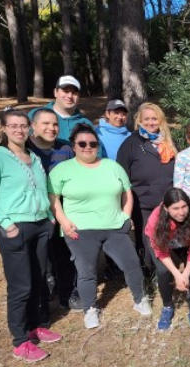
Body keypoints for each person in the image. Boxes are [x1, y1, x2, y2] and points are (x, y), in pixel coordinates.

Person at [0, 110, 60, 362]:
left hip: (41, 225)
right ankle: (20, 340)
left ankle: (37, 325)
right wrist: (6, 223)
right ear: (3, 129)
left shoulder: (33, 157)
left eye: (23, 126)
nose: (19, 130)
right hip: (15, 228)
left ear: (29, 129)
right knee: (21, 285)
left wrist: (49, 216)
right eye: (13, 126)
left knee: (39, 278)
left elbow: (43, 189)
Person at [48, 124, 150, 329]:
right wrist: (64, 222)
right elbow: (53, 199)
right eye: (82, 143)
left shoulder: (112, 167)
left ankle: (140, 299)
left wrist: (126, 216)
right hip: (81, 229)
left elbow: (127, 192)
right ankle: (90, 309)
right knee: (86, 270)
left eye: (93, 144)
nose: (88, 147)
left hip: (114, 226)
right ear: (74, 146)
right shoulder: (62, 170)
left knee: (131, 263)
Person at [25, 108, 78, 310]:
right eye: (45, 124)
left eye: (55, 124)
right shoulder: (24, 150)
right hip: (35, 212)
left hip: (63, 210)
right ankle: (42, 296)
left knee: (64, 254)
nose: (51, 128)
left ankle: (67, 294)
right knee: (40, 259)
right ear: (34, 126)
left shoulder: (65, 148)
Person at [116, 102, 178, 274]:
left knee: (166, 237)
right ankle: (148, 274)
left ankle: (165, 272)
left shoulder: (168, 142)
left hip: (167, 201)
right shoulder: (131, 143)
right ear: (140, 121)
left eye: (154, 119)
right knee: (147, 240)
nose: (151, 122)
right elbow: (121, 174)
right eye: (147, 119)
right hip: (142, 202)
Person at [144, 188, 190, 332]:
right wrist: (177, 275)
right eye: (175, 208)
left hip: (185, 242)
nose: (181, 212)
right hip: (164, 244)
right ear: (166, 208)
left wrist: (185, 274)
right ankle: (167, 306)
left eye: (184, 206)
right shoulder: (156, 218)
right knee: (163, 271)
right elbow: (160, 250)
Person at [27, 75, 93, 141]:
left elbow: (96, 150)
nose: (70, 96)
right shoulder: (35, 115)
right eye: (66, 91)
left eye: (74, 93)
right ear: (55, 92)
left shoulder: (85, 123)